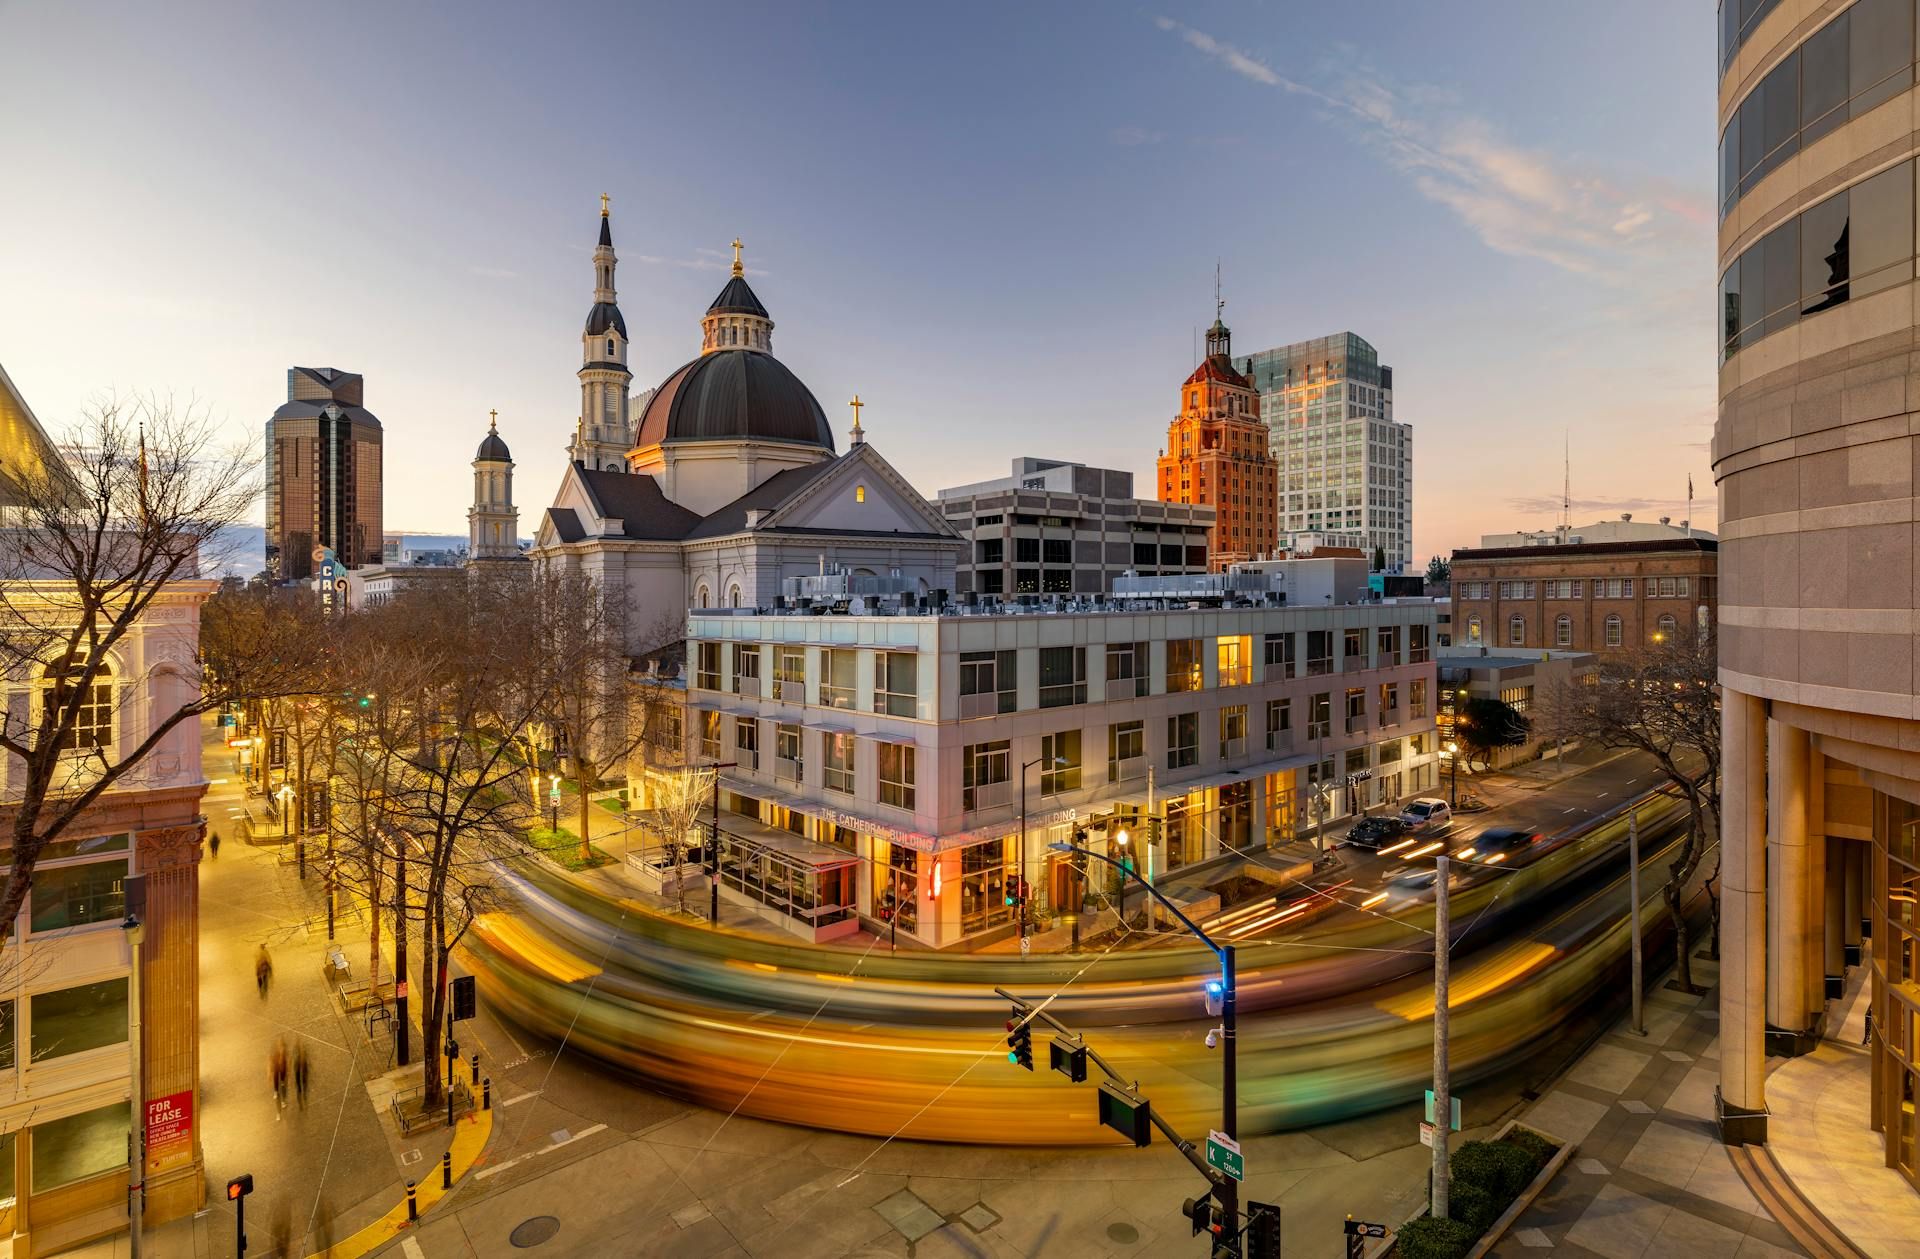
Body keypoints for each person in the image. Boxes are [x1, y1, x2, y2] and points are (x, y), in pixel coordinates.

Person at [269, 1037, 289, 1114]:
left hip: (282, 1068)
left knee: (283, 1086)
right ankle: (276, 1091)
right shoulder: (275, 1051)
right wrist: (270, 1071)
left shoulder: (284, 1051)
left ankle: (283, 1101)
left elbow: (287, 1059)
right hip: (277, 1068)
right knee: (276, 1081)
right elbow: (271, 1060)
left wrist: (287, 1069)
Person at [293, 1040, 310, 1110]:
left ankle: (304, 1100)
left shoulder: (302, 1059)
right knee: (300, 1089)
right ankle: (301, 1103)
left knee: (303, 1088)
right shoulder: (298, 1059)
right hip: (299, 1074)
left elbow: (306, 1068)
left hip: (302, 1075)